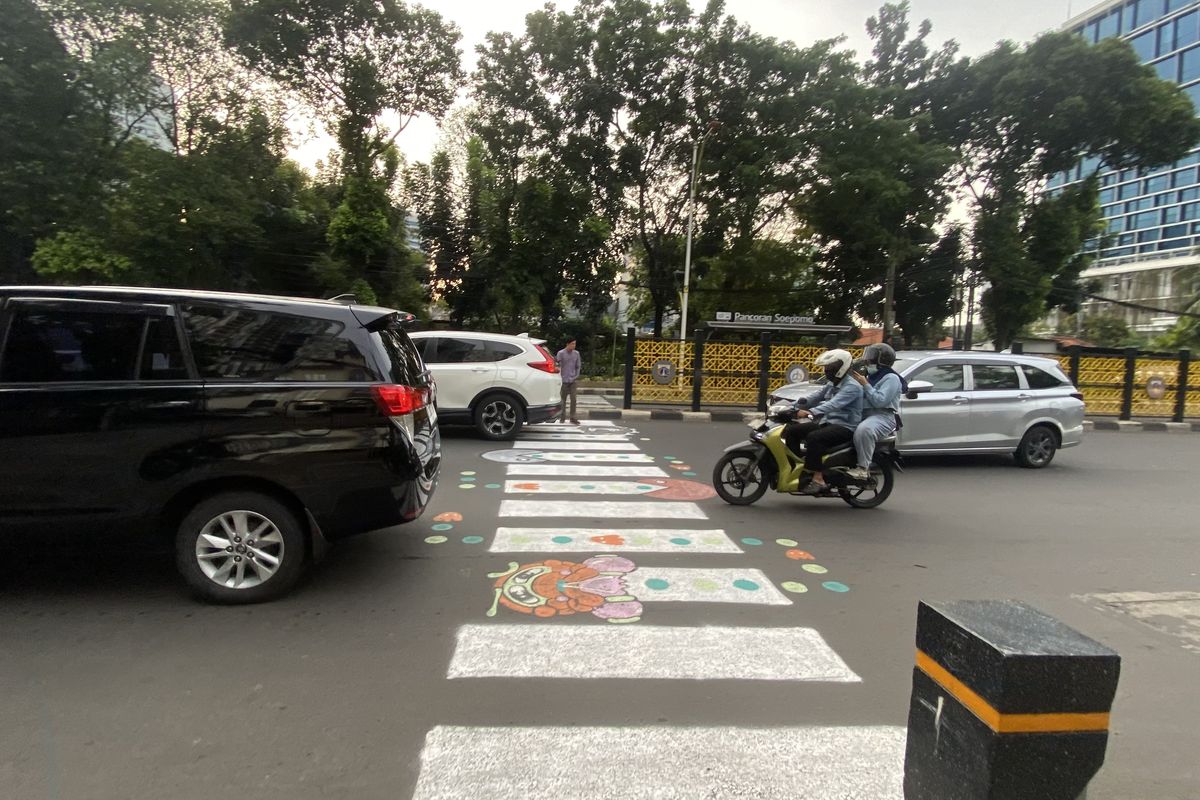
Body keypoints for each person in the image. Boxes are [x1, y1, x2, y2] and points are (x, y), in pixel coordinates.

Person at [783, 349, 864, 495]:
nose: (827, 371)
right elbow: (814, 397)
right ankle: (799, 468)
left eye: (830, 368)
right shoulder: (832, 383)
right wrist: (790, 406)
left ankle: (818, 479)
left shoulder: (852, 387)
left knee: (815, 437)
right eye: (826, 368)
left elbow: (833, 404)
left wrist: (811, 412)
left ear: (841, 367)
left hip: (844, 427)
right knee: (792, 431)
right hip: (828, 422)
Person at [847, 343, 906, 480]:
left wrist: (865, 385)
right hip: (865, 415)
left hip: (882, 416)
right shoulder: (870, 377)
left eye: (871, 358)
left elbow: (880, 401)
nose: (867, 361)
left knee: (864, 430)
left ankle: (863, 468)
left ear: (882, 360)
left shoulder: (891, 379)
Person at [556, 337, 581, 424]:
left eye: (575, 344)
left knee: (573, 399)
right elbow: (557, 365)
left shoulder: (576, 353)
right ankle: (562, 417)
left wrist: (576, 376)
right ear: (567, 344)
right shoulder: (561, 353)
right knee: (563, 400)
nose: (574, 345)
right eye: (572, 344)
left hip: (573, 380)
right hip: (563, 380)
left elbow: (578, 366)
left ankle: (572, 417)